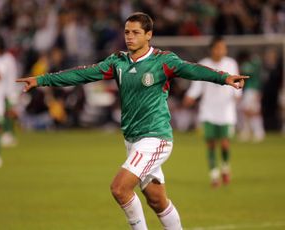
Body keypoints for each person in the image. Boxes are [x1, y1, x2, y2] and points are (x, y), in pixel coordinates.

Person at [17, 12, 248, 230]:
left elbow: (192, 70)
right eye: (127, 32)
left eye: (135, 32)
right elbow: (82, 73)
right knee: (157, 201)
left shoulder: (162, 61)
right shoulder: (118, 62)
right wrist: (41, 80)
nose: (129, 37)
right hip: (133, 140)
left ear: (149, 35)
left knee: (119, 188)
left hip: (155, 138)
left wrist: (224, 77)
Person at [183, 36, 242, 187]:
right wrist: (190, 96)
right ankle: (214, 176)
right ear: (212, 49)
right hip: (208, 110)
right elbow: (197, 85)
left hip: (226, 111)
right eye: (218, 47)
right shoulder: (204, 64)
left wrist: (237, 94)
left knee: (224, 144)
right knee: (210, 144)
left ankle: (225, 167)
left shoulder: (230, 63)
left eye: (223, 47)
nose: (221, 50)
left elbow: (236, 82)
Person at [0, 37, 20, 147]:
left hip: (9, 90)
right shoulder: (0, 58)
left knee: (8, 112)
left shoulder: (8, 59)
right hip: (1, 91)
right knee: (4, 113)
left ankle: (8, 134)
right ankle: (7, 134)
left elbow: (6, 76)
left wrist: (8, 91)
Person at [237, 50, 265, 142]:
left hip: (252, 90)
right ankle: (248, 132)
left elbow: (243, 71)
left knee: (252, 112)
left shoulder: (251, 65)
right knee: (248, 111)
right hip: (251, 90)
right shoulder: (256, 65)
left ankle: (258, 132)